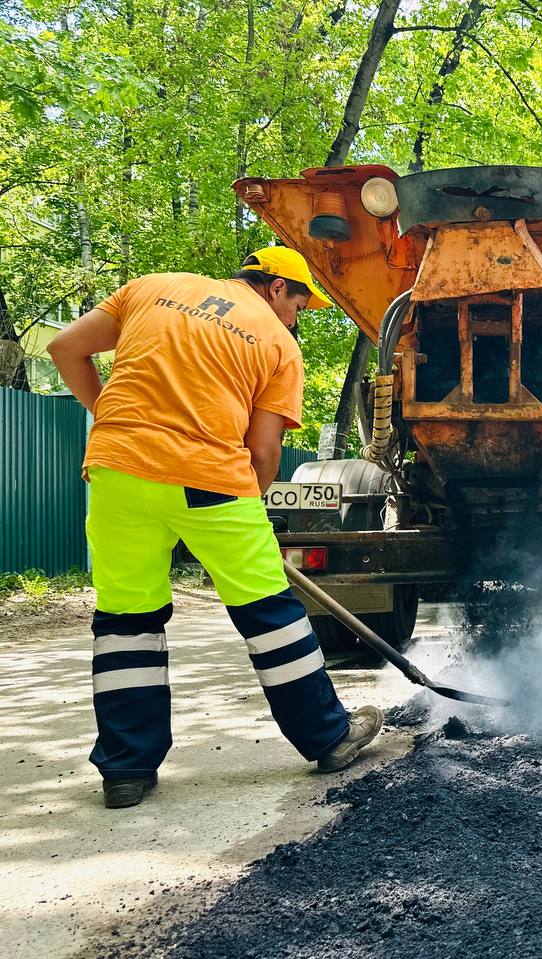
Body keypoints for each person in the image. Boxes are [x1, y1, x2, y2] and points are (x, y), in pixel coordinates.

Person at [47, 247, 383, 809]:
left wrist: (107, 416)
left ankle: (127, 769)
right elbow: (264, 449)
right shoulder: (277, 342)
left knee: (127, 617)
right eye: (300, 303)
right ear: (276, 288)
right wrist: (247, 510)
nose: (297, 318)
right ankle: (327, 737)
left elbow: (63, 348)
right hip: (211, 479)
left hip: (117, 470)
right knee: (268, 612)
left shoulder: (152, 284)